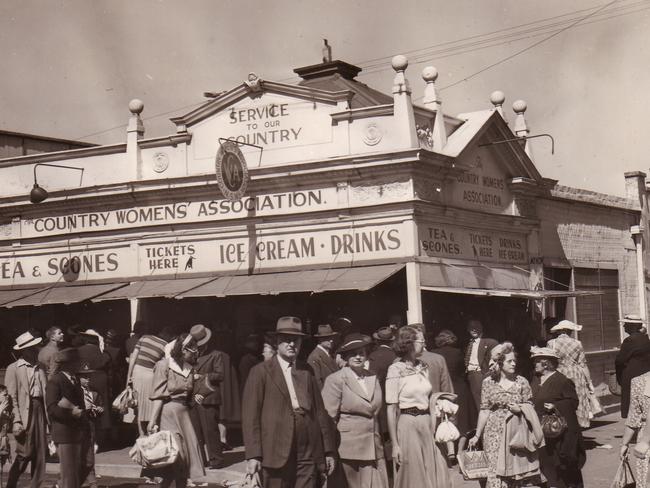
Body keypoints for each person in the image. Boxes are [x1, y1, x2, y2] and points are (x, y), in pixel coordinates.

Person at [242, 316, 336, 488]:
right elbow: (250, 416)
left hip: (307, 446)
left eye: (296, 340)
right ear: (277, 342)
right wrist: (253, 454)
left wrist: (328, 450)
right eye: (286, 340)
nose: (292, 344)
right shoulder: (260, 372)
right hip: (275, 449)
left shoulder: (307, 370)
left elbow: (319, 412)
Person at [468, 342, 543, 488]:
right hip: (493, 433)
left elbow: (530, 406)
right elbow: (484, 410)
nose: (514, 364)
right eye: (509, 361)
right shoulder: (488, 383)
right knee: (495, 471)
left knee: (514, 472)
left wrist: (520, 408)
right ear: (500, 363)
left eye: (515, 360)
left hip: (515, 431)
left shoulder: (522, 382)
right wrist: (477, 435)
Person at [385, 326, 450, 488]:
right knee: (414, 474)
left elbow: (428, 395)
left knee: (434, 470)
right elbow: (391, 409)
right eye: (421, 341)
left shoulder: (423, 366)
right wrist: (395, 445)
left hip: (427, 423)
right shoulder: (395, 369)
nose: (424, 344)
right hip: (408, 425)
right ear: (409, 344)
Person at [321, 333, 388, 488]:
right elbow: (328, 418)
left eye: (362, 354)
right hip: (348, 449)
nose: (358, 357)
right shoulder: (336, 379)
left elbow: (376, 412)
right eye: (353, 354)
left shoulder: (373, 377)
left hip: (373, 446)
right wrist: (328, 450)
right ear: (345, 357)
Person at [147, 334, 206, 488]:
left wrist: (200, 394)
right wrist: (152, 421)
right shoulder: (163, 365)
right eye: (191, 349)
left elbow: (192, 393)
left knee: (185, 460)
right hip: (168, 413)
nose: (195, 353)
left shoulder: (189, 368)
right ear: (182, 349)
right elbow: (158, 396)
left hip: (185, 414)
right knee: (175, 456)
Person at [530, 347, 585, 488]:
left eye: (537, 362)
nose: (534, 365)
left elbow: (573, 402)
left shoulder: (562, 381)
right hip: (540, 431)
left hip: (557, 433)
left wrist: (556, 406)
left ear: (546, 364)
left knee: (561, 468)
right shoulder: (535, 379)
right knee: (545, 466)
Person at [4, 331, 48, 488]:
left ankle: (36, 485)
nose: (35, 350)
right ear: (23, 350)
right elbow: (11, 398)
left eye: (35, 347)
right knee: (25, 453)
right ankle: (11, 484)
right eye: (31, 348)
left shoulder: (41, 367)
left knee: (41, 453)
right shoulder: (13, 368)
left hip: (40, 410)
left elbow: (45, 391)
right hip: (24, 413)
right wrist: (16, 420)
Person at [46, 347, 89, 488]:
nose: (79, 364)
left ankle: (59, 485)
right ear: (68, 363)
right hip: (64, 432)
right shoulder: (56, 381)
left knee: (82, 467)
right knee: (70, 473)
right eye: (76, 361)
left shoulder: (75, 379)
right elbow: (52, 408)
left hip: (77, 431)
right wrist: (71, 413)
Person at [188, 324, 225, 469]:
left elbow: (220, 375)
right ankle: (200, 460)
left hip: (208, 396)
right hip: (193, 397)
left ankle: (216, 459)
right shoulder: (193, 355)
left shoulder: (216, 355)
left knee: (210, 430)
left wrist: (202, 376)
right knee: (196, 431)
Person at [547, 320, 595, 427]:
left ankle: (561, 424)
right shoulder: (577, 343)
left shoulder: (551, 343)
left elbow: (549, 362)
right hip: (576, 374)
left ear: (559, 331)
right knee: (576, 399)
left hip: (559, 373)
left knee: (560, 399)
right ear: (568, 331)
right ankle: (576, 425)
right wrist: (589, 382)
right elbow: (583, 365)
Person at [126, 326, 171, 436]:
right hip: (151, 374)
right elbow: (163, 364)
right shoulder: (165, 345)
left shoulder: (144, 338)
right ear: (164, 332)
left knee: (139, 405)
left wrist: (128, 377)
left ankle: (141, 436)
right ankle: (151, 433)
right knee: (151, 405)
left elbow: (133, 359)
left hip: (137, 372)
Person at [77, 329, 111, 448]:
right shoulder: (102, 352)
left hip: (85, 378)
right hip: (100, 378)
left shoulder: (79, 351)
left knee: (87, 404)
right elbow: (108, 362)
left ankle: (90, 439)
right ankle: (101, 438)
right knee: (102, 405)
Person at [433, 329, 472, 435]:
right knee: (461, 420)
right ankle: (459, 449)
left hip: (441, 389)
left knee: (443, 418)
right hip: (458, 387)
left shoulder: (433, 353)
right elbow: (462, 370)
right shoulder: (457, 352)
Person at [615, 315, 650, 419]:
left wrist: (619, 377)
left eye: (626, 324)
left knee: (631, 402)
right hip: (645, 373)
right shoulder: (645, 338)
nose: (624, 326)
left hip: (631, 375)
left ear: (632, 326)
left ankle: (633, 428)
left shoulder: (629, 340)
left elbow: (620, 360)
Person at [620, 369, 650, 486]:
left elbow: (633, 418)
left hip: (645, 440)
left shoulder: (639, 381)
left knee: (643, 480)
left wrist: (624, 444)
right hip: (646, 440)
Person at [78, 362, 105, 488]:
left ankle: (92, 481)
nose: (88, 379)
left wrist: (100, 409)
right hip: (80, 426)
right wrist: (84, 408)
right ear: (78, 378)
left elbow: (100, 404)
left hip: (91, 425)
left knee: (90, 454)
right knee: (80, 454)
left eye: (89, 377)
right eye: (84, 377)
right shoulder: (76, 392)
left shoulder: (94, 392)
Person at [465, 319, 498, 417]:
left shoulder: (489, 342)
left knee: (482, 402)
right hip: (470, 375)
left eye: (476, 328)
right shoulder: (470, 343)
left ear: (481, 329)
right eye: (471, 328)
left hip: (480, 374)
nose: (473, 330)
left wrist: (487, 373)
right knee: (475, 402)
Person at [410, 323, 453, 394]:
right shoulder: (438, 359)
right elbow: (447, 391)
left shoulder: (397, 362)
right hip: (434, 403)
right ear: (424, 340)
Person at [306, 324, 339, 390]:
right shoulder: (314, 357)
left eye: (332, 337)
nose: (331, 340)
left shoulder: (329, 354)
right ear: (320, 339)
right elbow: (317, 383)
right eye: (328, 338)